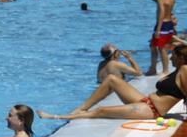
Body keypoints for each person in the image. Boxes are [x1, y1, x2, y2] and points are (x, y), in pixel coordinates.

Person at [40, 45, 187, 121]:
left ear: (181, 58)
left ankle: (58, 116)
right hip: (146, 101)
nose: (171, 59)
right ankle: (80, 109)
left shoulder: (185, 70)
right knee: (111, 79)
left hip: (152, 110)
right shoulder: (179, 68)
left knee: (101, 111)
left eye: (173, 56)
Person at [148, 0, 177, 76]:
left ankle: (164, 70)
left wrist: (158, 30)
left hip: (162, 25)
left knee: (161, 48)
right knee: (154, 46)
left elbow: (161, 15)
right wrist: (156, 1)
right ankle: (154, 69)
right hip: (169, 25)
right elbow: (168, 8)